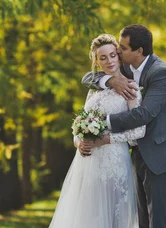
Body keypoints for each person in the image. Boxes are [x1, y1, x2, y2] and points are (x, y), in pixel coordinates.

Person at [82, 23, 166, 228]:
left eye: (122, 48)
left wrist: (101, 124)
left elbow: (144, 114)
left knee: (157, 219)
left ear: (139, 51)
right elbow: (88, 77)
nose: (118, 52)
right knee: (141, 219)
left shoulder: (161, 73)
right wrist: (110, 82)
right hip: (135, 151)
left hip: (160, 152)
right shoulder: (126, 66)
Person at [49, 33, 146, 228]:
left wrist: (104, 140)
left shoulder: (130, 87)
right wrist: (78, 141)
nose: (109, 61)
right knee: (89, 217)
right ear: (96, 61)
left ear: (118, 56)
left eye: (112, 55)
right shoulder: (93, 89)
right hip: (87, 163)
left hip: (115, 161)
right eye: (103, 57)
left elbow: (138, 132)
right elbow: (79, 122)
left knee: (114, 216)